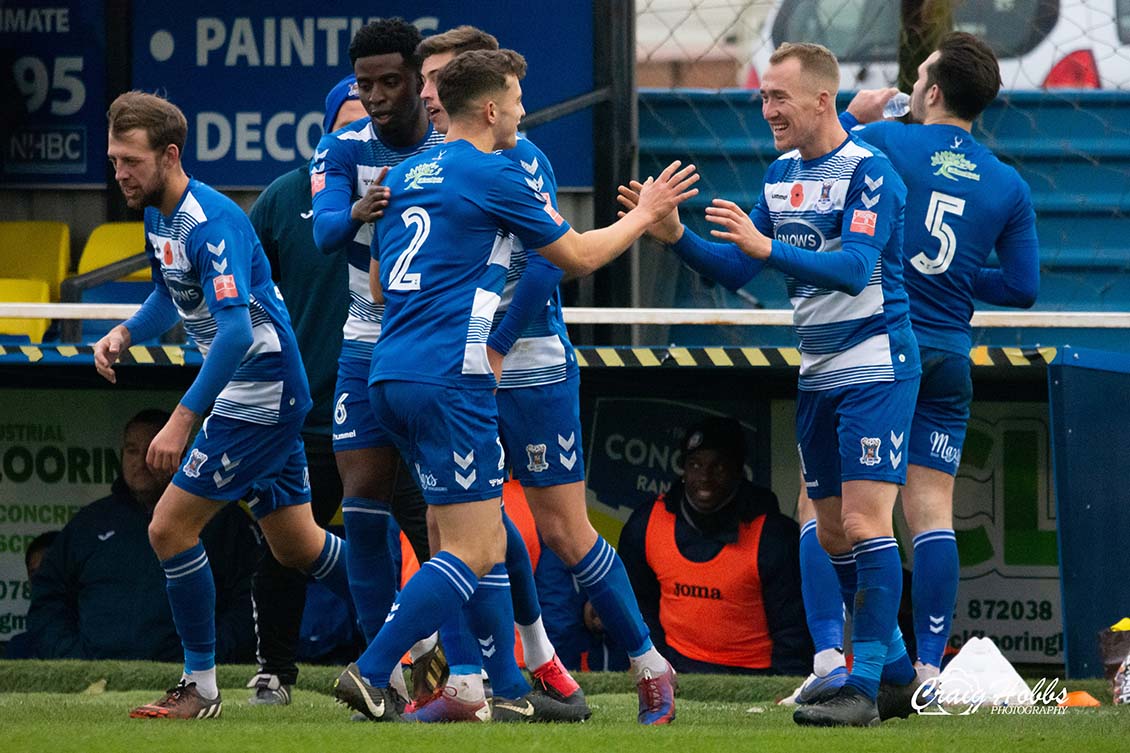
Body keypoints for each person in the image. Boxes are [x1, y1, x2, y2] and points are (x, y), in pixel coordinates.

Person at [329, 48, 697, 725]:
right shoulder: (496, 171)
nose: (524, 111)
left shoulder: (407, 171)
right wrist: (648, 215)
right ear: (493, 107)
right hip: (454, 375)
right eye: (518, 100)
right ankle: (375, 670)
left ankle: (486, 680)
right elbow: (577, 258)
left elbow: (381, 283)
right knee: (475, 547)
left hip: (391, 371)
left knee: (465, 535)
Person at [619, 42, 920, 727]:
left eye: (778, 97)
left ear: (822, 99)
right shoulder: (782, 174)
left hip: (876, 363)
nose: (767, 109)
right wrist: (671, 235)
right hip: (818, 371)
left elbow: (853, 267)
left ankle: (863, 687)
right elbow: (733, 269)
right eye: (762, 96)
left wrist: (767, 248)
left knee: (864, 523)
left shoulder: (871, 172)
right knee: (829, 533)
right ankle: (891, 671)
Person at [97, 91, 352, 720]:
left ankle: (201, 688)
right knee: (301, 548)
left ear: (171, 155)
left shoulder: (210, 220)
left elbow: (236, 332)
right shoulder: (159, 216)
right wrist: (129, 331)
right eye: (114, 159)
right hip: (256, 391)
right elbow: (171, 295)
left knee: (168, 527)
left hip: (260, 392)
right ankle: (421, 612)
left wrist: (183, 418)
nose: (120, 173)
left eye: (130, 160)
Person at [817, 32, 1038, 685]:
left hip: (884, 347)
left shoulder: (889, 142)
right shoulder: (1007, 182)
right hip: (949, 354)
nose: (912, 85)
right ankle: (928, 668)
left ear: (933, 91)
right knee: (933, 512)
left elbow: (822, 155)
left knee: (838, 507)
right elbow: (1023, 288)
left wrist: (857, 112)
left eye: (918, 77)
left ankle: (844, 660)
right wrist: (965, 282)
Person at [243, 74, 429, 706]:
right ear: (330, 133)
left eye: (373, 118)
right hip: (304, 411)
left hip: (390, 399)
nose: (364, 128)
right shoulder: (284, 198)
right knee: (285, 542)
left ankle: (440, 664)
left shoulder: (418, 183)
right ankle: (274, 668)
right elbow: (237, 289)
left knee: (441, 540)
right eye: (351, 119)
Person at [309, 19, 440, 674]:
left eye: (391, 80)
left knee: (454, 514)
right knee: (361, 504)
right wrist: (359, 212)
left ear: (420, 80)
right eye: (366, 82)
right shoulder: (340, 149)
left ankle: (484, 666)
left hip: (437, 340)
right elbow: (325, 234)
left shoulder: (453, 147)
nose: (378, 93)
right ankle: (382, 667)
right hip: (366, 336)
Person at [25, 409, 257, 663]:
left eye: (152, 449)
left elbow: (250, 598)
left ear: (180, 454)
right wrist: (74, 659)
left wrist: (208, 656)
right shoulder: (90, 523)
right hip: (95, 681)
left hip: (190, 678)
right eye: (131, 450)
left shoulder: (220, 518)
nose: (140, 461)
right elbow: (48, 599)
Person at [618, 416, 813, 675]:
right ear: (683, 469)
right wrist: (656, 667)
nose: (705, 477)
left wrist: (783, 687)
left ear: (737, 469)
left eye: (718, 466)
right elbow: (637, 607)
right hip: (675, 668)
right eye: (695, 465)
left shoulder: (773, 535)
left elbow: (793, 631)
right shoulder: (646, 523)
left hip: (756, 676)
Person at [4, 530, 58, 658]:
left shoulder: (92, 640)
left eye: (47, 570)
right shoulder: (19, 648)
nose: (39, 580)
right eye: (33, 573)